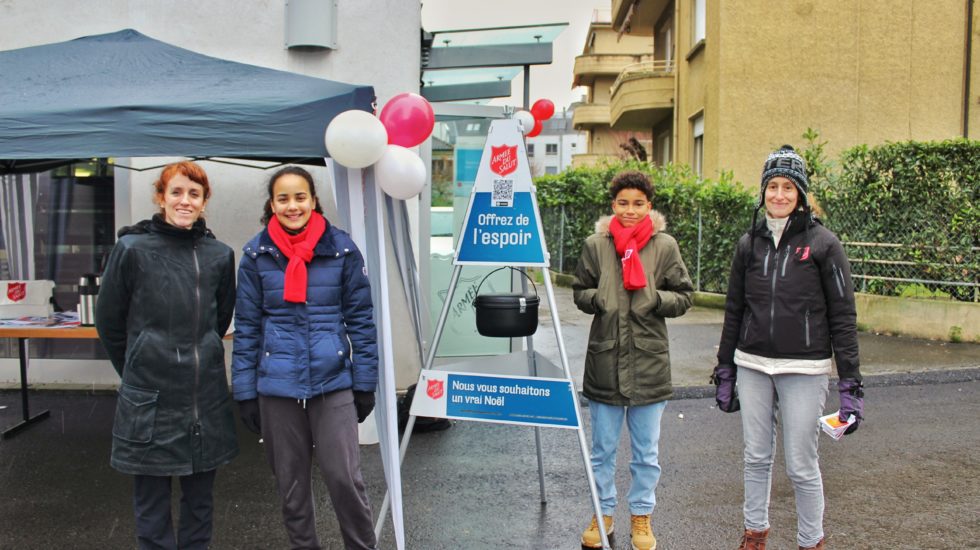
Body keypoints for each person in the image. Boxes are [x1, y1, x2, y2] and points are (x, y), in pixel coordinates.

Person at [712, 145, 865, 550]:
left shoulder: (824, 245)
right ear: (762, 191)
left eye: (788, 187)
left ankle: (810, 541)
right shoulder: (749, 244)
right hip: (753, 364)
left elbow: (843, 318)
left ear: (801, 193)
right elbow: (734, 309)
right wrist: (724, 367)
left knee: (801, 465)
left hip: (806, 368)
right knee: (756, 458)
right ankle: (754, 534)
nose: (779, 195)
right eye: (772, 186)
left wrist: (851, 385)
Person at [231, 166, 378, 550]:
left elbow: (361, 320)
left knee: (345, 480)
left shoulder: (342, 249)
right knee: (291, 488)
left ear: (313, 200)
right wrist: (244, 391)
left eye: (300, 197)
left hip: (333, 384)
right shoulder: (255, 255)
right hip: (276, 388)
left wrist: (364, 383)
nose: (293, 205)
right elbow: (246, 327)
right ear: (272, 204)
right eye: (284, 198)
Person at [95, 161, 238, 550]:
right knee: (151, 504)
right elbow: (108, 319)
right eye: (176, 192)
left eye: (194, 194)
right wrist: (137, 365)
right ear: (161, 197)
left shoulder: (220, 256)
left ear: (205, 201)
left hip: (202, 399)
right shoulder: (131, 249)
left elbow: (219, 318)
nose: (184, 201)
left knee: (199, 503)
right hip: (150, 398)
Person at [573, 170, 694, 550]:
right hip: (605, 361)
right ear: (613, 205)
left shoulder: (665, 246)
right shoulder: (596, 244)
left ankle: (641, 516)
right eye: (623, 203)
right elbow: (580, 291)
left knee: (646, 453)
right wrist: (599, 299)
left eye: (638, 203)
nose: (630, 210)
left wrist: (657, 299)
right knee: (602, 451)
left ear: (649, 206)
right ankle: (602, 510)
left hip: (649, 362)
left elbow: (685, 295)